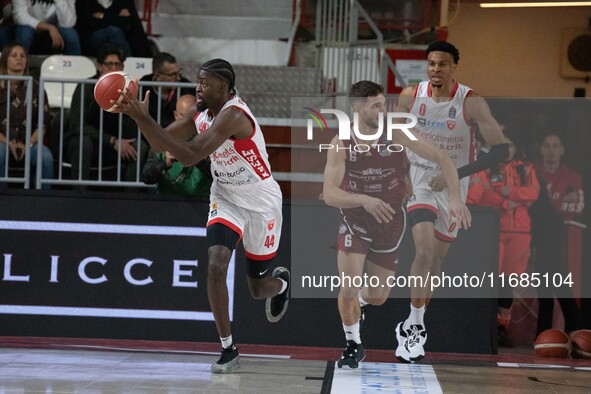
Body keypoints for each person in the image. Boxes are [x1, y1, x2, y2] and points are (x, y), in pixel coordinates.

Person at [115, 58, 290, 374]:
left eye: (205, 83)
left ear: (222, 87)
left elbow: (192, 154)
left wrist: (144, 118)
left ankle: (279, 285)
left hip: (261, 201)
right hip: (225, 195)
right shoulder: (199, 113)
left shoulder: (233, 116)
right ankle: (228, 348)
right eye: (198, 81)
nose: (197, 87)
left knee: (256, 289)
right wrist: (138, 118)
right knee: (215, 264)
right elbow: (160, 143)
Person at [323, 80, 471, 369]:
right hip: (355, 219)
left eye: (384, 104)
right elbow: (329, 193)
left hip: (390, 221)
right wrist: (363, 199)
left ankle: (361, 307)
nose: (383, 110)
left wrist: (455, 198)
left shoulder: (396, 132)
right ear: (357, 107)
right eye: (376, 105)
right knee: (349, 285)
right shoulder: (341, 142)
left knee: (377, 297)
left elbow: (442, 157)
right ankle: (353, 344)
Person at [394, 41, 509, 362]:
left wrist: (455, 173)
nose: (435, 69)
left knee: (435, 264)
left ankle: (413, 321)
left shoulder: (471, 102)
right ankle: (415, 328)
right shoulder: (410, 97)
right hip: (420, 181)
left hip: (454, 187)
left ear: (454, 67)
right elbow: (394, 137)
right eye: (431, 64)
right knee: (424, 250)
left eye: (442, 64)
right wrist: (401, 175)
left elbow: (502, 150)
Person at [467, 133, 539, 347]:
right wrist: (508, 201)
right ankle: (484, 326)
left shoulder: (525, 168)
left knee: (509, 282)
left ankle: (501, 328)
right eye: (502, 146)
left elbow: (533, 193)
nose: (506, 150)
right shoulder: (488, 166)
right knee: (490, 279)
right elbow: (482, 194)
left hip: (520, 231)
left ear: (515, 147)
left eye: (510, 145)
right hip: (493, 230)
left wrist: (505, 191)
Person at [63, 43, 148, 187]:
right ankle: (79, 196)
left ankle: (130, 201)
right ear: (99, 66)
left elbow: (133, 130)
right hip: (88, 143)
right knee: (84, 143)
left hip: (117, 146)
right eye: (109, 64)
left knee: (140, 146)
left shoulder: (128, 90)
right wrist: (112, 141)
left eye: (117, 64)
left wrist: (130, 104)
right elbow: (77, 125)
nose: (113, 68)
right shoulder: (86, 87)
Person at [533, 134, 584, 334]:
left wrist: (548, 207)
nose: (551, 150)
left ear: (562, 149)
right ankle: (572, 330)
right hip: (537, 236)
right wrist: (562, 203)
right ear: (541, 149)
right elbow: (529, 203)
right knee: (547, 284)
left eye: (555, 146)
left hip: (560, 237)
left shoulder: (572, 176)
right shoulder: (533, 171)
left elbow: (579, 206)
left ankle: (566, 331)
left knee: (555, 282)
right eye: (547, 145)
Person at [0, 43, 53, 188]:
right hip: (2, 142)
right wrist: (8, 143)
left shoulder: (36, 88)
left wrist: (29, 144)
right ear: (5, 60)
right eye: (14, 55)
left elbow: (43, 124)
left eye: (22, 56)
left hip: (29, 143)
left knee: (46, 157)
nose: (19, 59)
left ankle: (42, 204)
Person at [142, 94, 213, 196]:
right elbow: (146, 178)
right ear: (175, 115)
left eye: (194, 116)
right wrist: (165, 164)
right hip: (168, 201)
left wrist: (198, 161)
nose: (189, 121)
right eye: (184, 116)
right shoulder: (162, 140)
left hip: (201, 202)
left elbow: (221, 176)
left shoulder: (210, 140)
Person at [139, 52, 195, 128]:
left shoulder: (187, 88)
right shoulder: (143, 86)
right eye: (172, 74)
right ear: (157, 76)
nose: (178, 78)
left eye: (179, 73)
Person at [12, 0, 81, 56]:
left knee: (70, 34)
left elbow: (68, 23)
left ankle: (74, 70)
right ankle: (17, 69)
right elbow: (19, 16)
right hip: (31, 27)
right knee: (25, 32)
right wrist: (50, 28)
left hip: (56, 29)